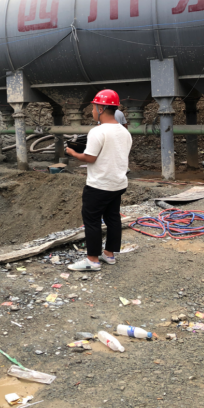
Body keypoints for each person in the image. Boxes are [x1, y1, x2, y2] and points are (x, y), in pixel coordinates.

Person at [65, 90, 132, 272]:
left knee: (92, 220)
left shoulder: (98, 131)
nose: (92, 111)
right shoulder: (124, 132)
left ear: (101, 109)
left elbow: (90, 157)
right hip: (118, 183)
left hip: (99, 185)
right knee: (113, 218)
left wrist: (72, 153)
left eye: (94, 108)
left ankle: (92, 260)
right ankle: (109, 254)